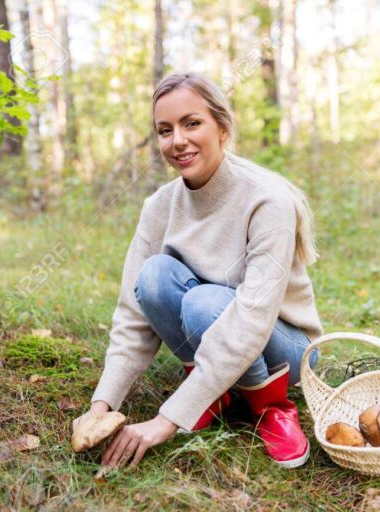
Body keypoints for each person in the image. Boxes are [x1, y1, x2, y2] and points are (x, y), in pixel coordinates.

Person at [76, 72, 324, 470]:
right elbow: (132, 312)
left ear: (222, 127)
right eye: (164, 130)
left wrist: (166, 420)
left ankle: (271, 408)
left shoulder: (267, 199)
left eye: (192, 123)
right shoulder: (159, 205)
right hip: (214, 323)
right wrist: (101, 405)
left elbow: (251, 318)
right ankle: (216, 393)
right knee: (154, 277)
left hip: (286, 348)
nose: (178, 141)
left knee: (205, 303)